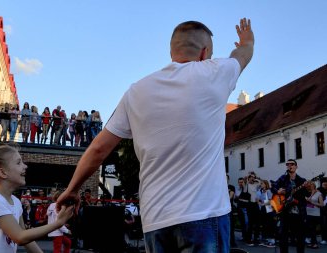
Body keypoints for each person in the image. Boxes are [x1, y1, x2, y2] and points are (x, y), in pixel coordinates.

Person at [57, 18, 254, 253]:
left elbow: (99, 149)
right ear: (204, 53)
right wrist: (246, 40)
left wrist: (72, 189)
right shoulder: (214, 72)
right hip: (203, 214)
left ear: (172, 51)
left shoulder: (136, 91)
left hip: (156, 220)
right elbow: (242, 54)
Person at [271, 159, 309, 253]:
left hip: (298, 213)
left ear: (296, 167)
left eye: (292, 164)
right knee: (283, 238)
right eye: (287, 164)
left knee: (300, 238)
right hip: (285, 212)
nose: (289, 166)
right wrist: (278, 191)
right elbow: (273, 187)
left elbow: (305, 198)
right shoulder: (283, 178)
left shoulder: (302, 181)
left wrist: (307, 189)